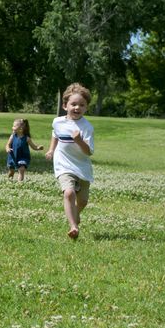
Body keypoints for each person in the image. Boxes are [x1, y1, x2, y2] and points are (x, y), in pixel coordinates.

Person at [45, 83, 94, 240]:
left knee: (83, 201)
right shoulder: (57, 122)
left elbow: (89, 152)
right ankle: (73, 226)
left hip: (82, 166)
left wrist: (79, 140)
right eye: (73, 104)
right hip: (63, 164)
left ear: (86, 108)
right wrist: (52, 150)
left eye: (81, 105)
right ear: (65, 106)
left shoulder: (87, 127)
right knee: (69, 192)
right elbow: (55, 134)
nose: (77, 108)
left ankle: (75, 214)